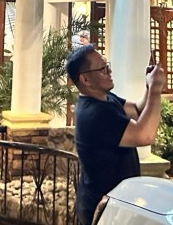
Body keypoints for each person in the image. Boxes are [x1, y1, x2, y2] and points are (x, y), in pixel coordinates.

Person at [66, 44, 166, 225]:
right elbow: (145, 136)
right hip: (104, 208)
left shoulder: (105, 98)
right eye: (102, 68)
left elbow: (136, 110)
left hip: (114, 202)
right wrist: (155, 89)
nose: (109, 71)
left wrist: (148, 86)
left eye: (107, 65)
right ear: (85, 79)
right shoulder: (95, 113)